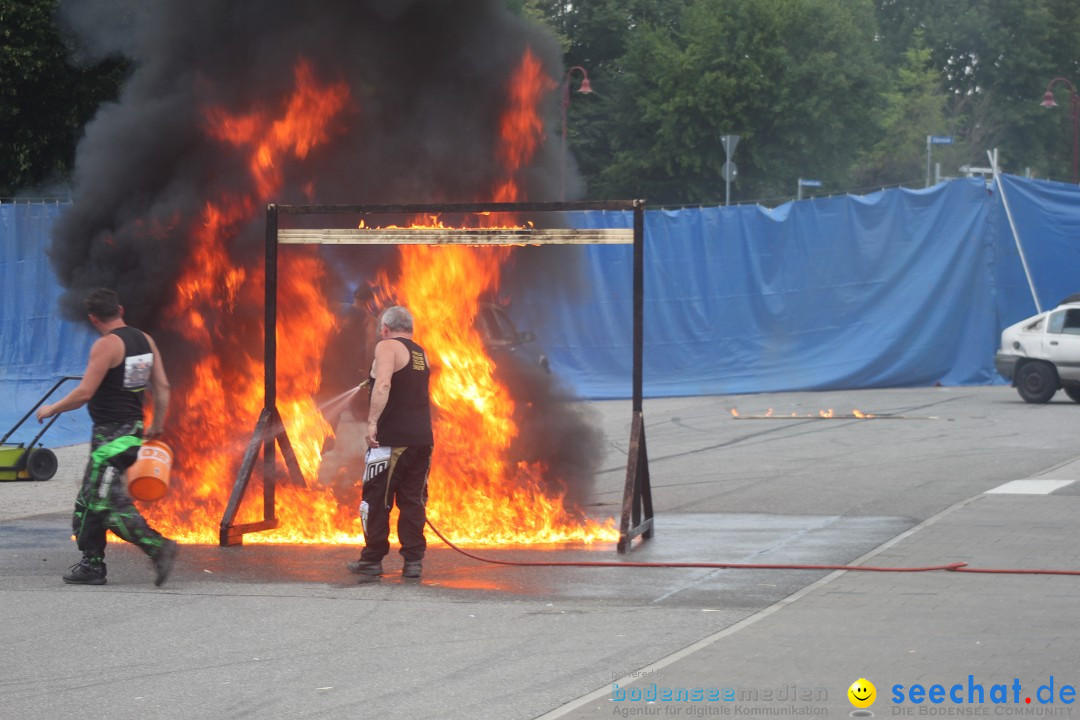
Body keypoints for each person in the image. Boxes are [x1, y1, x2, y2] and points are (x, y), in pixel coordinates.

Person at [36, 288, 179, 587]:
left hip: (111, 440)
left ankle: (157, 547)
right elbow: (163, 386)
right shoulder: (144, 340)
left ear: (92, 319)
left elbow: (84, 393)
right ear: (120, 310)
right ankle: (92, 564)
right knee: (88, 500)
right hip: (131, 432)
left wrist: (52, 408)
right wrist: (158, 425)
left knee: (104, 506)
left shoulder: (106, 346)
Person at [347, 305, 433, 579]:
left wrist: (372, 423)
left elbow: (384, 384)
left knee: (375, 500)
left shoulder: (387, 347)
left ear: (385, 328)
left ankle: (372, 560)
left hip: (391, 441)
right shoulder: (421, 353)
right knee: (412, 501)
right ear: (410, 329)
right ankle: (413, 562)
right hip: (421, 440)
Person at [319, 285, 380, 452]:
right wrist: (368, 372)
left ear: (354, 296)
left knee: (327, 403)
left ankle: (320, 440)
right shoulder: (369, 320)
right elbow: (370, 347)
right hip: (347, 369)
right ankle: (327, 441)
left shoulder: (338, 308)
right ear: (370, 300)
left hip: (328, 364)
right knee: (344, 405)